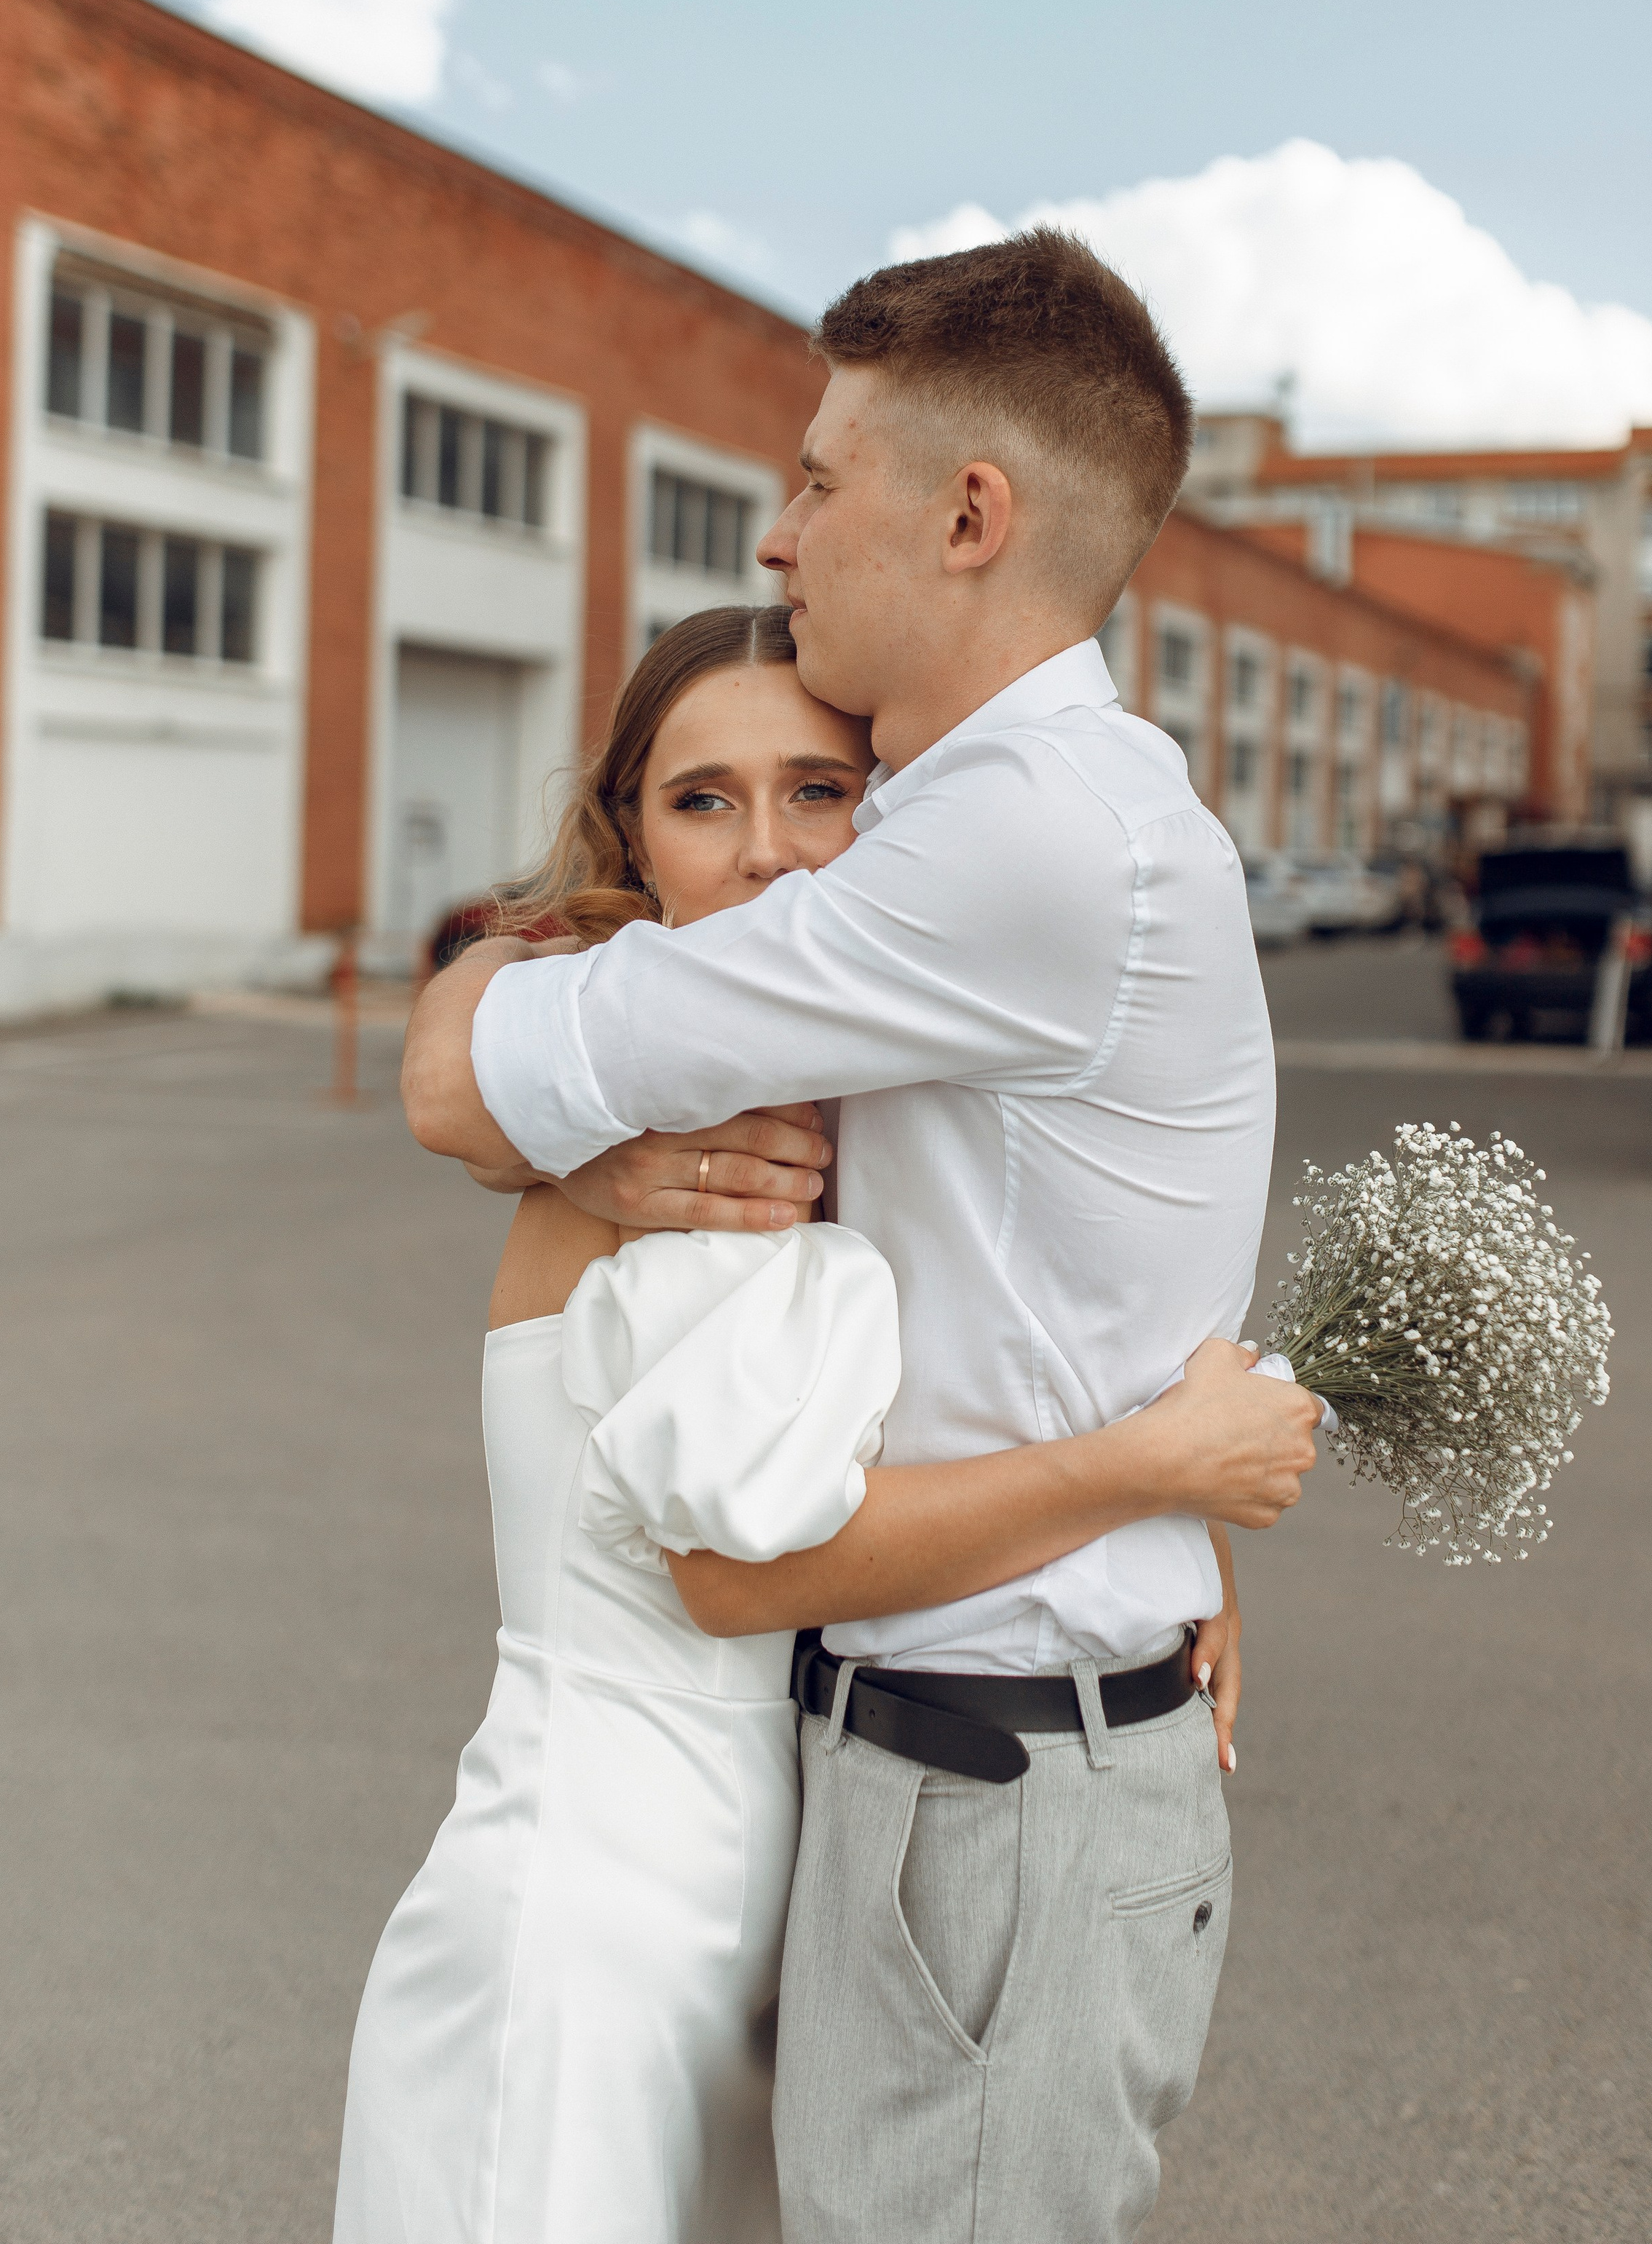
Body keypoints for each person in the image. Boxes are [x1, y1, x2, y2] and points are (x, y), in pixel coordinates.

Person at [403, 227, 1323, 2243]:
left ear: (971, 513)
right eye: (707, 800)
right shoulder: (987, 818)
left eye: (822, 479)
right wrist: (1156, 1499)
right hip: (929, 1768)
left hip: (990, 1769)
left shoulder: (1019, 841)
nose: (778, 531)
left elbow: (492, 1069)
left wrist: (1152, 1493)